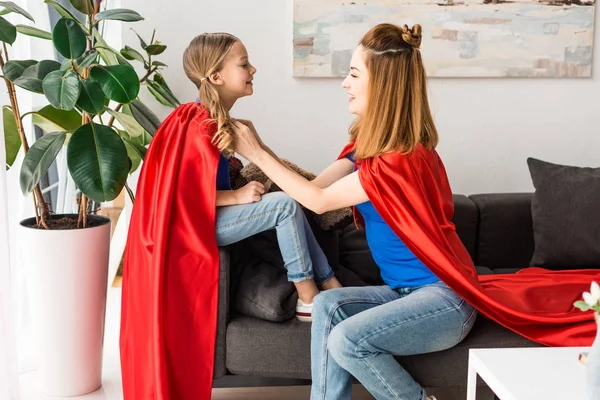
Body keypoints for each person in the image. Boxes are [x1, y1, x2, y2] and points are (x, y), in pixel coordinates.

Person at [232, 22, 598, 400]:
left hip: (443, 302)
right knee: (327, 304)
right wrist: (258, 159)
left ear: (383, 86)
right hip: (405, 294)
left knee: (347, 340)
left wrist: (257, 151)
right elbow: (317, 187)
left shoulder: (398, 163)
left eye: (354, 73)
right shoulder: (369, 151)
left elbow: (318, 202)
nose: (345, 82)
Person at [120, 33, 341, 400]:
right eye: (243, 64)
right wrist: (236, 195)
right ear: (216, 77)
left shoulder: (217, 120)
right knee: (284, 204)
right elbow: (180, 194)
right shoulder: (195, 122)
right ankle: (309, 297)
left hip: (209, 220)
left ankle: (328, 284)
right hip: (193, 228)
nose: (253, 69)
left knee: (284, 202)